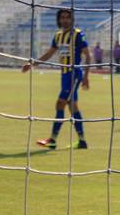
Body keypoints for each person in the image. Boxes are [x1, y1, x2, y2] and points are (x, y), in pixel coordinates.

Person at [22, 9, 91, 150]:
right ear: (59, 20)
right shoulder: (58, 36)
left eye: (67, 17)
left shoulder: (78, 35)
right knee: (73, 107)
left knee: (60, 104)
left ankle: (52, 139)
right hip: (64, 75)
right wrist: (32, 64)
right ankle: (82, 140)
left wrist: (86, 77)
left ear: (72, 19)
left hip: (73, 74)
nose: (65, 20)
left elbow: (88, 56)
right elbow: (49, 53)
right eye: (62, 17)